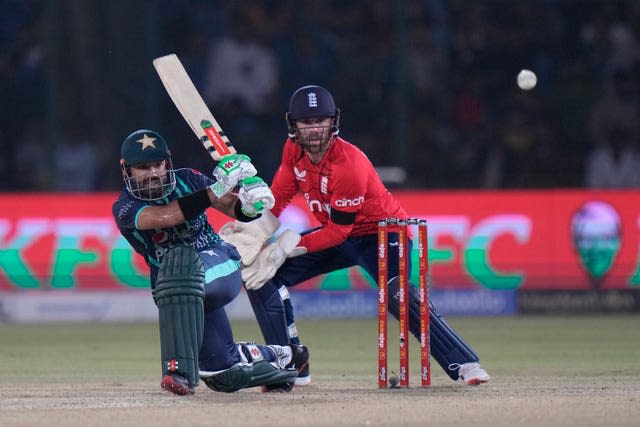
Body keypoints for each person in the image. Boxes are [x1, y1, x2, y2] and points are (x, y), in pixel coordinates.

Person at [224, 85, 490, 386]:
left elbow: (339, 231)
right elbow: (277, 200)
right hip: (340, 234)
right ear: (293, 124)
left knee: (397, 295)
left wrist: (293, 244)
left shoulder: (349, 165)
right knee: (262, 275)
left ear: (333, 121)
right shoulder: (292, 152)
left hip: (384, 232)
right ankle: (289, 364)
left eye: (320, 121)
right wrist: (251, 222)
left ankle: (465, 364)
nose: (313, 129)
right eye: (306, 122)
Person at [111, 129, 308, 395]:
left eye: (158, 164)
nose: (154, 173)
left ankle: (177, 371)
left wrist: (251, 205)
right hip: (177, 291)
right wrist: (216, 187)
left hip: (217, 262)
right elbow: (167, 217)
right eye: (143, 168)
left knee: (181, 273)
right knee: (221, 374)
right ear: (126, 170)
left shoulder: (187, 179)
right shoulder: (125, 206)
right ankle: (285, 358)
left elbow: (232, 208)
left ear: (167, 161)